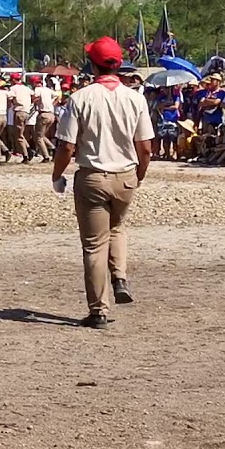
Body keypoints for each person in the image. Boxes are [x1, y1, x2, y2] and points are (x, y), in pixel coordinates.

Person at [52, 37, 154, 330]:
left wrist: (57, 174)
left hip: (93, 175)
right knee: (118, 228)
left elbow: (67, 146)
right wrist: (140, 174)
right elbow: (145, 146)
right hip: (126, 175)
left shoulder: (81, 98)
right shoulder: (135, 98)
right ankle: (119, 276)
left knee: (94, 246)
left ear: (92, 64)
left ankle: (98, 310)